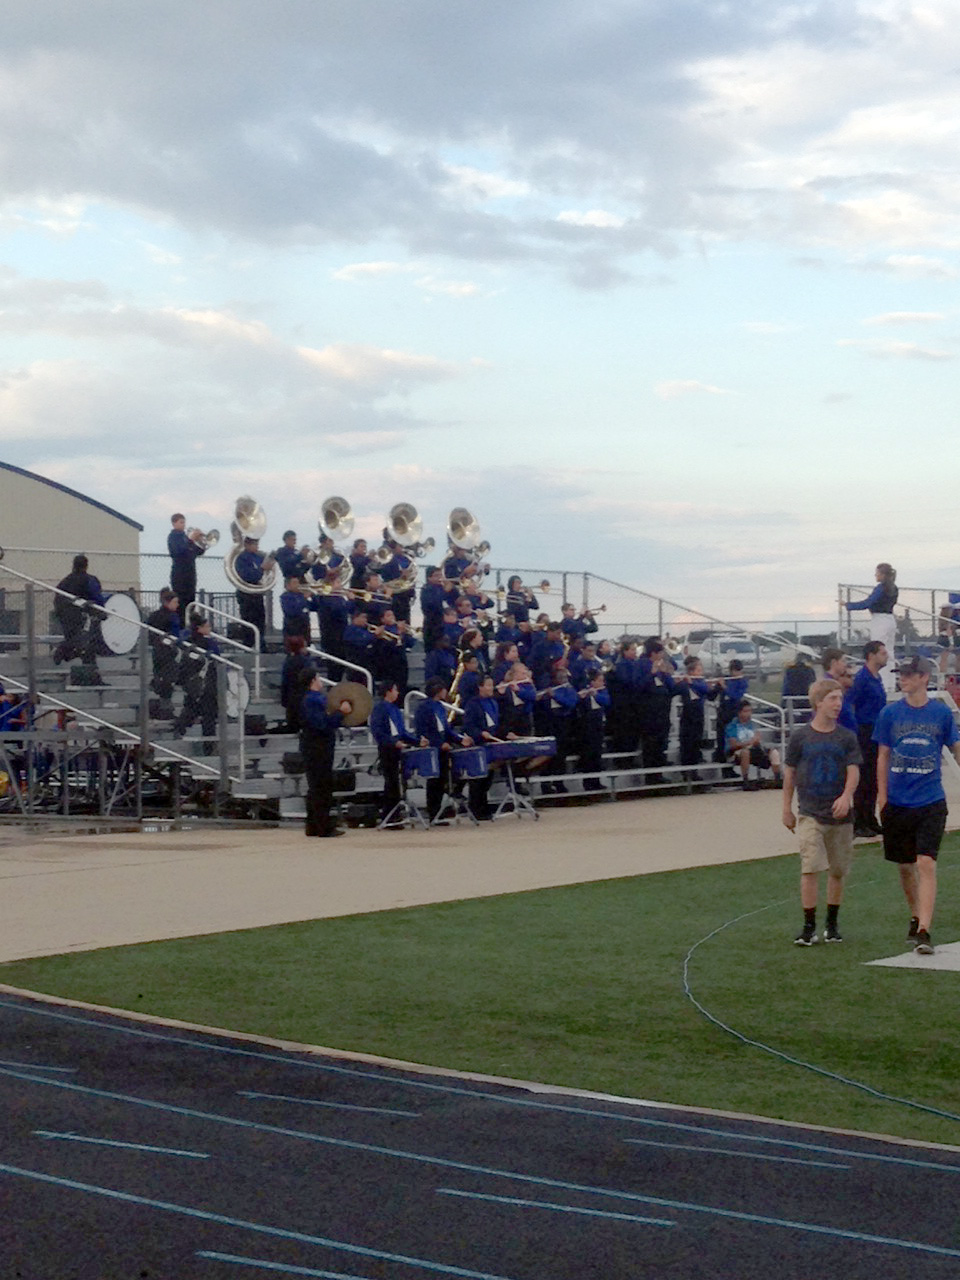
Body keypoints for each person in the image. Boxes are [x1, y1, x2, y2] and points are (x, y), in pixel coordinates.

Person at [875, 654, 960, 955]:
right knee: (905, 866)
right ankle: (915, 915)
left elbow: (956, 746)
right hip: (898, 801)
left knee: (926, 862)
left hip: (930, 799)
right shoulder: (890, 713)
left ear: (924, 677)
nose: (903, 679)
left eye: (910, 675)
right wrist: (882, 796)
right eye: (901, 674)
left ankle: (924, 929)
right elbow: (883, 755)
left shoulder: (940, 713)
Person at [782, 678, 862, 945]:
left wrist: (846, 796)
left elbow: (853, 770)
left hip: (839, 815)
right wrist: (786, 808)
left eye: (840, 699)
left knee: (837, 870)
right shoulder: (801, 737)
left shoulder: (846, 737)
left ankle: (832, 924)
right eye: (832, 699)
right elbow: (790, 773)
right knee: (810, 866)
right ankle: (808, 926)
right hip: (810, 812)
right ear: (818, 702)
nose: (838, 704)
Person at [299, 670, 352, 837]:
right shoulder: (313, 700)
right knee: (322, 786)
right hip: (318, 747)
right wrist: (341, 713)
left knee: (316, 786)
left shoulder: (310, 699)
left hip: (315, 746)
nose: (320, 680)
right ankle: (323, 826)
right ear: (313, 681)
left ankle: (313, 825)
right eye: (317, 677)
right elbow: (322, 724)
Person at [413, 677, 474, 819]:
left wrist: (460, 739)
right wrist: (439, 744)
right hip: (433, 749)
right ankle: (433, 811)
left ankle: (442, 808)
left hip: (443, 748)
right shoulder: (423, 708)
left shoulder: (439, 706)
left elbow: (446, 730)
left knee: (443, 779)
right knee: (434, 781)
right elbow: (423, 731)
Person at [850, 640, 888, 838]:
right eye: (882, 653)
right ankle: (859, 821)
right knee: (863, 777)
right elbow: (851, 703)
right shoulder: (862, 678)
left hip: (877, 731)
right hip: (864, 731)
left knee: (874, 777)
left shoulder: (877, 678)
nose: (886, 656)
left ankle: (870, 818)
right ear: (871, 655)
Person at [369, 680, 417, 824]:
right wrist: (392, 742)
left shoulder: (395, 709)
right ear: (388, 692)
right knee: (391, 782)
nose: (397, 693)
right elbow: (377, 731)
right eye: (395, 690)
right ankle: (389, 814)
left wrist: (417, 741)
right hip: (387, 750)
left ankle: (394, 813)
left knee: (396, 781)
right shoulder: (380, 708)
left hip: (397, 749)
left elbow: (402, 732)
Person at [845, 563, 898, 693]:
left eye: (877, 573)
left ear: (883, 574)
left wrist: (848, 605)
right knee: (889, 652)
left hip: (879, 620)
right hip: (890, 619)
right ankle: (890, 684)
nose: (875, 575)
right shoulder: (894, 588)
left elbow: (868, 603)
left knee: (878, 652)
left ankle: (882, 684)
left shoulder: (881, 588)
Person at [52, 554, 107, 676]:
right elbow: (97, 598)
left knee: (76, 641)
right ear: (86, 566)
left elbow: (58, 599)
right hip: (81, 616)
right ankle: (63, 652)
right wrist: (101, 611)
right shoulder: (89, 580)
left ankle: (67, 654)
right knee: (85, 642)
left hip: (64, 616)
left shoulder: (65, 581)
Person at [173, 617, 221, 751]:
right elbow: (217, 657)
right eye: (207, 626)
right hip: (208, 683)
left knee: (191, 708)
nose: (209, 629)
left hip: (192, 684)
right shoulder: (208, 643)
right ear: (200, 628)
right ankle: (209, 745)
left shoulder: (187, 643)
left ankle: (180, 728)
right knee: (209, 715)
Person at [677, 655, 720, 778]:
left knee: (696, 744)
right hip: (688, 716)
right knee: (687, 744)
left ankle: (694, 772)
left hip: (698, 716)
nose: (701, 673)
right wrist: (683, 682)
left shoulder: (700, 683)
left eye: (701, 670)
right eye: (698, 671)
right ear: (691, 672)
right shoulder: (685, 684)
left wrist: (717, 686)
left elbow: (708, 693)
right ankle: (686, 772)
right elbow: (677, 689)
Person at [725, 699, 782, 789]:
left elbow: (756, 737)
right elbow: (733, 744)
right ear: (739, 713)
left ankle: (777, 780)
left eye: (750, 711)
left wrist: (756, 741)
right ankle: (746, 781)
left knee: (774, 752)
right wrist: (749, 742)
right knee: (745, 752)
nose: (749, 714)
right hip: (737, 752)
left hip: (754, 748)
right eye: (746, 711)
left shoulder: (752, 724)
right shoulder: (732, 726)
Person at [233, 537, 272, 651]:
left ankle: (261, 643)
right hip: (246, 592)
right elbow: (247, 575)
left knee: (260, 618)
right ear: (247, 545)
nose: (257, 546)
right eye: (254, 544)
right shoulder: (241, 558)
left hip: (257, 592)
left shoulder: (259, 557)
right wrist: (261, 569)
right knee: (248, 618)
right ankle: (248, 644)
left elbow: (265, 571)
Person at [167, 514, 206, 626]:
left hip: (190, 574)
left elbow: (198, 551)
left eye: (184, 522)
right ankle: (181, 627)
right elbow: (179, 551)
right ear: (174, 523)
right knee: (181, 603)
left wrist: (202, 541)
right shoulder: (173, 537)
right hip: (179, 575)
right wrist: (190, 539)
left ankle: (189, 626)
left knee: (190, 602)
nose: (183, 525)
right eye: (181, 522)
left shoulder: (185, 537)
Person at [146, 588, 183, 705]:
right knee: (169, 676)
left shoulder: (154, 616)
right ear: (167, 602)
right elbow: (176, 635)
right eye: (175, 602)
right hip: (168, 651)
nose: (177, 605)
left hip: (158, 650)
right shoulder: (172, 617)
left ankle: (159, 690)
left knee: (161, 673)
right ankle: (164, 702)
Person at [280, 635, 315, 733]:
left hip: (291, 698)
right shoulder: (306, 662)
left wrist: (284, 700)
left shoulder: (288, 662)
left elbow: (285, 682)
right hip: (304, 698)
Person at [280, 577, 317, 642]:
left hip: (305, 628)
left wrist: (313, 596)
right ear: (288, 586)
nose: (298, 585)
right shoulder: (285, 596)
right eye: (295, 583)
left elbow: (314, 607)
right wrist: (304, 598)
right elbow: (292, 611)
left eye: (298, 583)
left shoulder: (301, 596)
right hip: (292, 628)